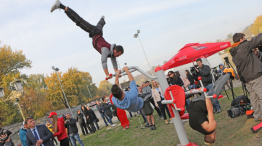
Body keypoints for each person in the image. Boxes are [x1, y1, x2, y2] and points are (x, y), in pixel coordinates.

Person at [50, 0, 124, 79]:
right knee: (79, 21)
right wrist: (107, 74)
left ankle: (102, 19)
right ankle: (61, 5)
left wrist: (116, 72)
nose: (117, 56)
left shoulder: (112, 53)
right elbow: (103, 61)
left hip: (98, 33)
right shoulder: (106, 50)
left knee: (100, 25)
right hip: (95, 32)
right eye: (118, 55)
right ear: (115, 51)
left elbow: (114, 63)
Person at [189, 71, 233, 145]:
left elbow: (210, 109)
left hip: (201, 103)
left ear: (213, 137)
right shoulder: (195, 127)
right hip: (193, 103)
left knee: (216, 90)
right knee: (212, 89)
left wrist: (207, 97)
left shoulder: (210, 128)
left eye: (215, 137)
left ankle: (229, 74)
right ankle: (223, 75)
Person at [230, 33, 262, 122]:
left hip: (246, 79)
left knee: (254, 97)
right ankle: (258, 115)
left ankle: (257, 115)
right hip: (254, 75)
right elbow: (258, 40)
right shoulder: (243, 46)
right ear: (241, 40)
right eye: (244, 38)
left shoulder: (234, 52)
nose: (245, 39)